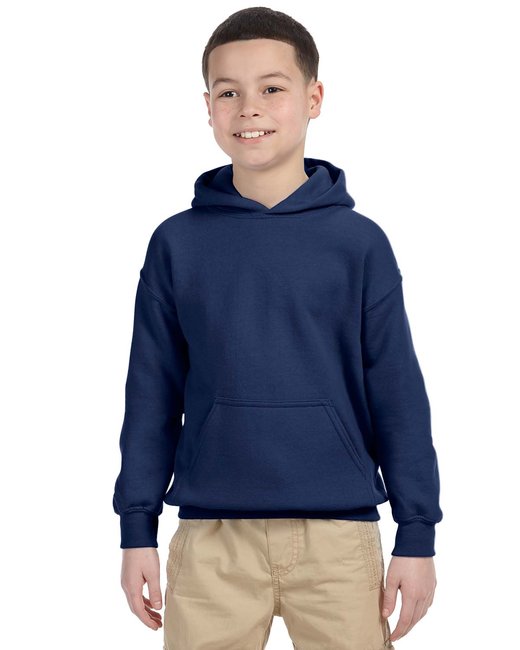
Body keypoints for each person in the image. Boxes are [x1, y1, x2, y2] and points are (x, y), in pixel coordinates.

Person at [112, 6, 443, 649]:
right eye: (227, 92)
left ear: (313, 98)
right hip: (211, 539)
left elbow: (398, 395)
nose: (249, 109)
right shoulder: (177, 244)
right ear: (207, 106)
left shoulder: (359, 244)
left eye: (272, 88)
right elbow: (151, 393)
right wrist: (136, 528)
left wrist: (417, 534)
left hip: (340, 539)